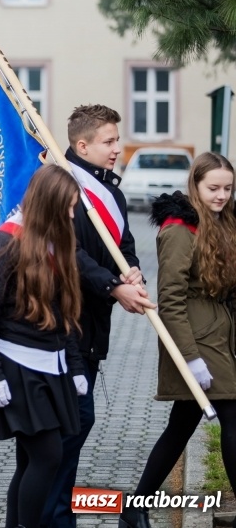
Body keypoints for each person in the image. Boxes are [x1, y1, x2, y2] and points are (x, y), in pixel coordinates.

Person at [41, 105, 156, 528]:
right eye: (108, 142)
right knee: (73, 422)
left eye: (116, 140)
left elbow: (122, 241)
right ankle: (53, 515)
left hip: (92, 327)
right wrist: (112, 286)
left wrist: (131, 270)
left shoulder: (113, 192)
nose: (116, 149)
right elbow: (67, 252)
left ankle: (57, 511)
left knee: (73, 426)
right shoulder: (61, 186)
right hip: (61, 324)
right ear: (81, 144)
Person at [119, 153, 236, 528]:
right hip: (196, 341)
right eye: (213, 188)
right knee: (232, 422)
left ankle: (134, 507)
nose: (221, 196)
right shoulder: (178, 230)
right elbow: (170, 299)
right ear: (195, 186)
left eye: (228, 188)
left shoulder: (224, 222)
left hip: (221, 334)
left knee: (181, 426)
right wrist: (190, 358)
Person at [0, 164, 87, 527]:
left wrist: (76, 366)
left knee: (31, 460)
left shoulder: (55, 242)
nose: (72, 214)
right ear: (48, 204)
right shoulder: (4, 243)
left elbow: (63, 313)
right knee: (47, 456)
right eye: (67, 207)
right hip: (14, 367)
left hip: (50, 367)